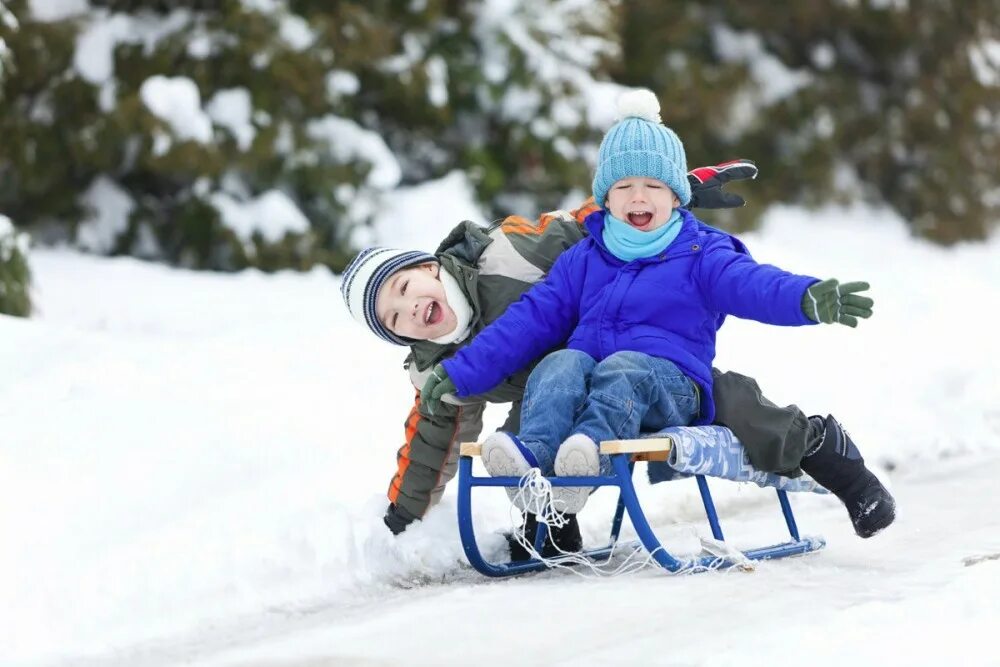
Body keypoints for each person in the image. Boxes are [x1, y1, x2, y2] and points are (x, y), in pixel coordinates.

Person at [416, 90, 894, 535]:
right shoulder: (584, 257)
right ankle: (539, 477)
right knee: (556, 364)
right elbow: (527, 321)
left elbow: (751, 284)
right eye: (623, 186)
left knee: (637, 372)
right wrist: (461, 371)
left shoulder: (700, 253)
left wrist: (804, 297)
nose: (637, 197)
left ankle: (585, 463)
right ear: (605, 197)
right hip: (593, 384)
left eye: (652, 185)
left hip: (668, 384)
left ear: (675, 195)